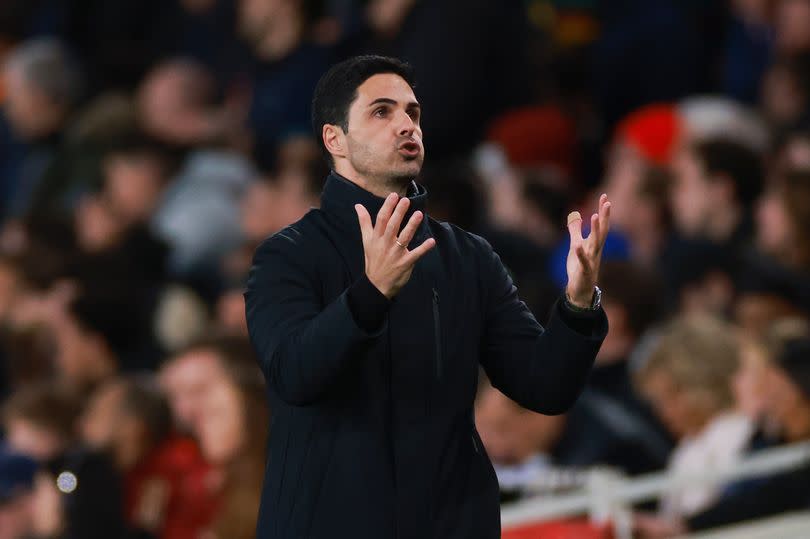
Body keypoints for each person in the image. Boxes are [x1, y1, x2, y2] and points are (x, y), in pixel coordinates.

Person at [244, 55, 611, 539]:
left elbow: (544, 386)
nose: (405, 125)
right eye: (382, 112)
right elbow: (293, 373)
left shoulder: (468, 256)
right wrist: (370, 295)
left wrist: (579, 305)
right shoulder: (287, 255)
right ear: (334, 139)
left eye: (412, 113)